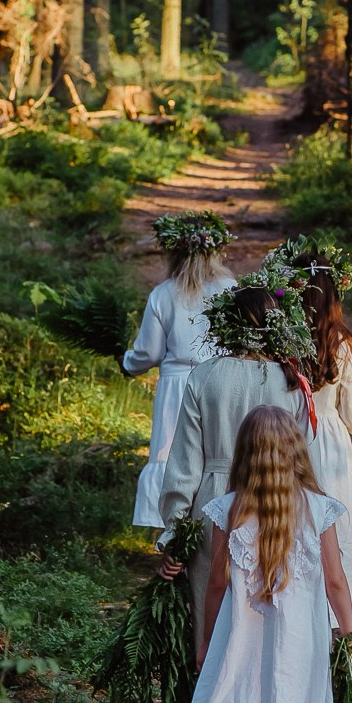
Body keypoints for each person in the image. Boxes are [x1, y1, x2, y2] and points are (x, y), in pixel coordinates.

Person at [159, 405, 352, 703]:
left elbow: (216, 584)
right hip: (300, 648)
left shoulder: (228, 509)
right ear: (296, 451)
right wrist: (349, 639)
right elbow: (334, 582)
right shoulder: (318, 507)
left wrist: (205, 640)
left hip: (240, 643)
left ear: (244, 453)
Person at [157, 276, 316, 643]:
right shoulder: (292, 382)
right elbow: (304, 462)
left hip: (214, 501)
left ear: (227, 325)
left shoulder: (205, 376)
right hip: (276, 504)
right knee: (269, 613)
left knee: (209, 612)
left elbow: (183, 465)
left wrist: (174, 533)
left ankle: (208, 686)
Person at [264, 238, 352, 613]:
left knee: (287, 524)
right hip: (328, 441)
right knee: (334, 530)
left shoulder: (278, 338)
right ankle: (335, 615)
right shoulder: (343, 344)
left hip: (282, 440)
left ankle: (289, 606)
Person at [122, 212, 235, 528]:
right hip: (221, 381)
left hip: (178, 387)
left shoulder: (164, 293)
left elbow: (149, 352)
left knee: (173, 454)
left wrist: (128, 363)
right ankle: (216, 523)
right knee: (217, 452)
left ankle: (173, 531)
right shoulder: (231, 288)